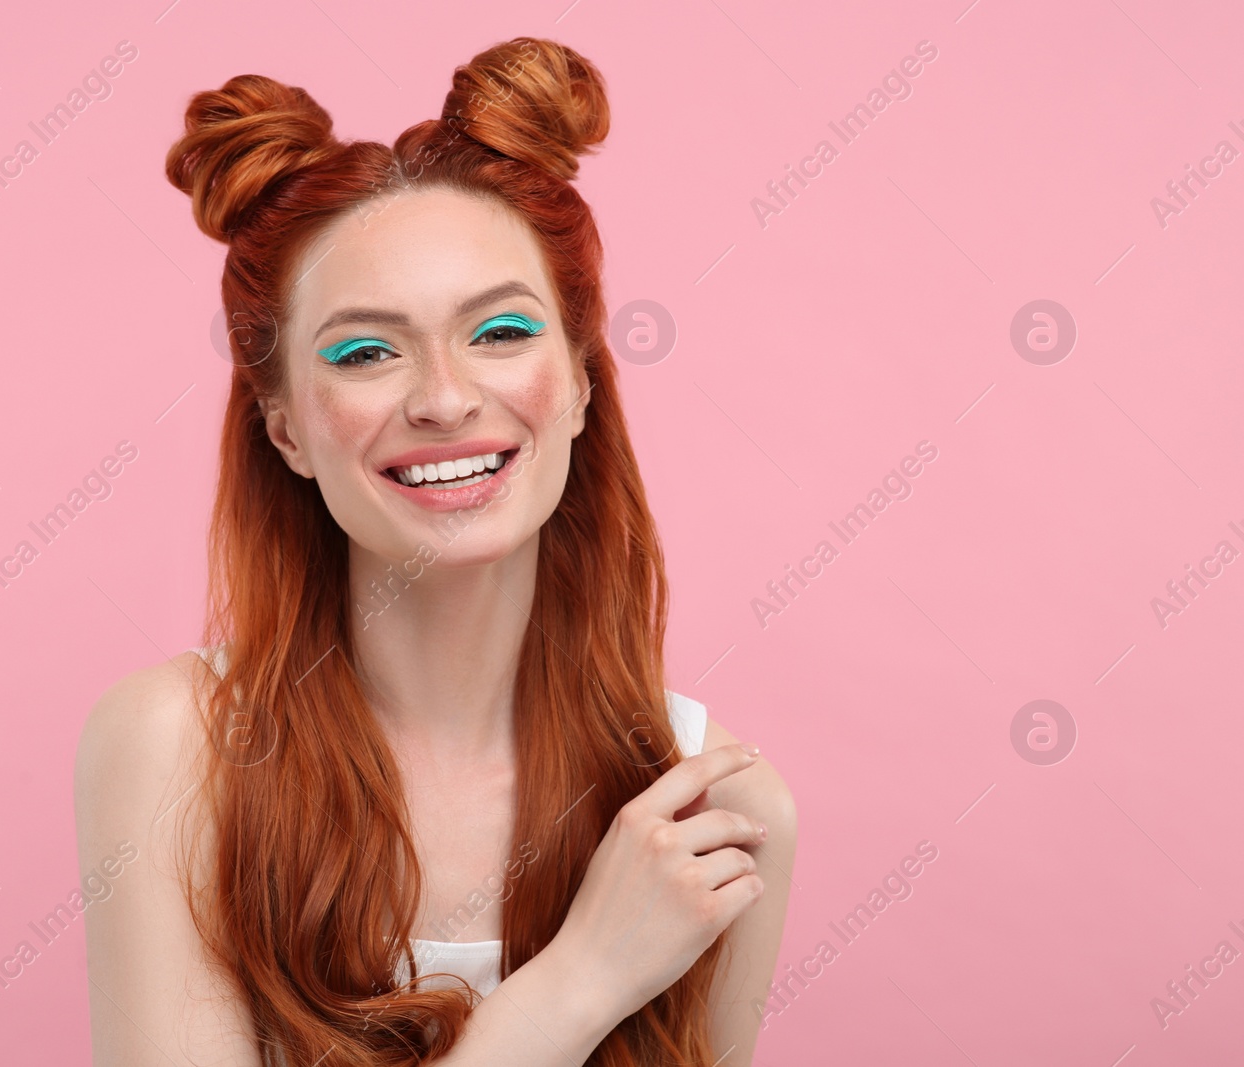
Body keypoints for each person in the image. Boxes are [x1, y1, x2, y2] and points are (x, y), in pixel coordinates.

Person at [74, 36, 796, 1067]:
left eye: (500, 330)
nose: (444, 396)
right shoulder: (176, 750)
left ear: (582, 379)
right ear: (284, 426)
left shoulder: (714, 807)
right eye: (364, 350)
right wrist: (577, 981)